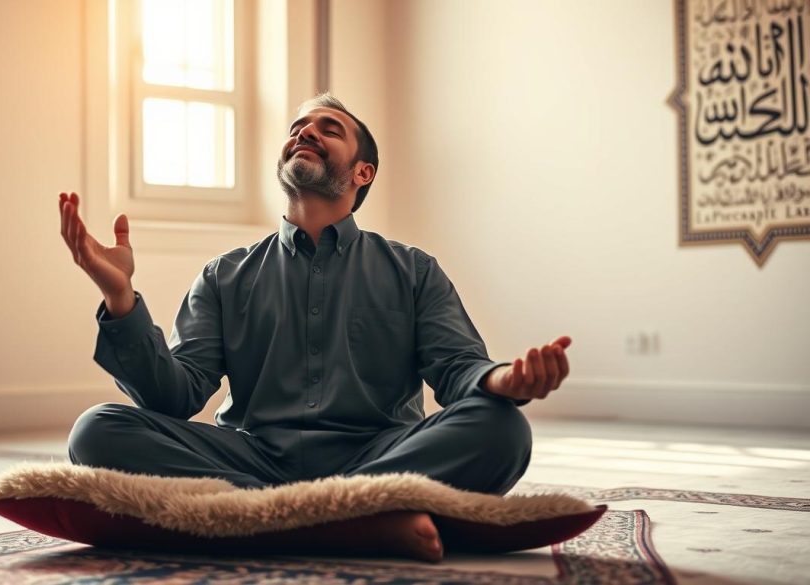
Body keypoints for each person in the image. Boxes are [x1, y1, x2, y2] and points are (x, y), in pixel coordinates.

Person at [58, 94, 571, 556]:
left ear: (362, 173)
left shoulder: (413, 270)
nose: (304, 132)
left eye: (328, 129)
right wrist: (120, 297)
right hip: (253, 457)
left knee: (502, 428)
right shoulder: (223, 275)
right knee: (96, 429)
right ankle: (358, 520)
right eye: (298, 127)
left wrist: (506, 382)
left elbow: (459, 369)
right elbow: (174, 398)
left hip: (381, 454)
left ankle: (271, 520)